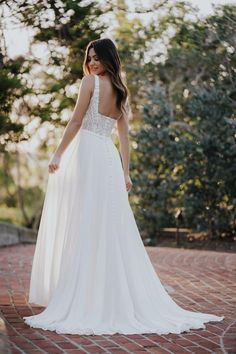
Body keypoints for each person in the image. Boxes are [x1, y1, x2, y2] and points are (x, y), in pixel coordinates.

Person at [23, 38, 224, 335]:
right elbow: (124, 138)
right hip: (107, 156)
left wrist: (58, 153)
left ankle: (87, 294)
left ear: (108, 58)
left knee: (87, 222)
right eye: (89, 58)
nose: (92, 63)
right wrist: (125, 172)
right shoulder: (121, 91)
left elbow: (77, 121)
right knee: (105, 224)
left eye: (96, 58)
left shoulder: (89, 83)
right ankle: (100, 291)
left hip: (90, 153)